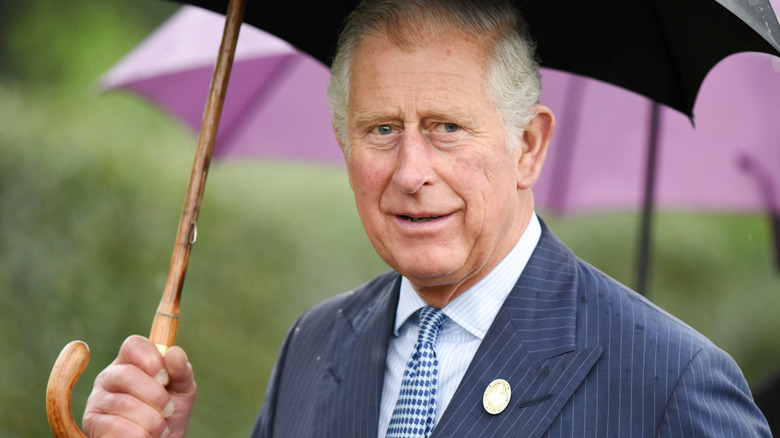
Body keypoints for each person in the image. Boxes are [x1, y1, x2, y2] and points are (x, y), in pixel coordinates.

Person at [83, 0, 772, 436]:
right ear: (343, 143)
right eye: (382, 130)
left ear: (527, 145)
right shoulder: (314, 344)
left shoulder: (668, 382)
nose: (411, 172)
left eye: (445, 127)